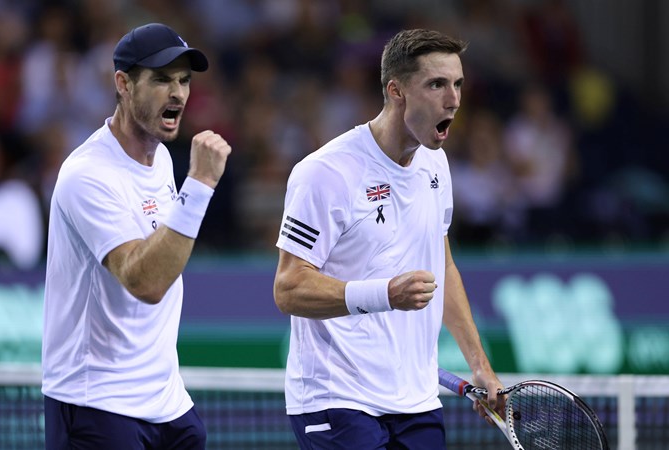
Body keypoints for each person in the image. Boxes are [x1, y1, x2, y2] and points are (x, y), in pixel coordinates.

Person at [273, 28, 503, 449]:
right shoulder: (324, 173)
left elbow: (442, 264)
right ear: (396, 91)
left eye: (457, 84)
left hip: (415, 401)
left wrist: (479, 363)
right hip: (337, 399)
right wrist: (384, 294)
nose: (453, 100)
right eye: (436, 84)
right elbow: (288, 288)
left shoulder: (436, 164)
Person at [41, 23, 231, 450]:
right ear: (123, 84)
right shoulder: (87, 175)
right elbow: (145, 282)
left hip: (166, 403)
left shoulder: (162, 159)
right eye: (162, 79)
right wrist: (199, 185)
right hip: (97, 405)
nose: (178, 93)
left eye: (184, 80)